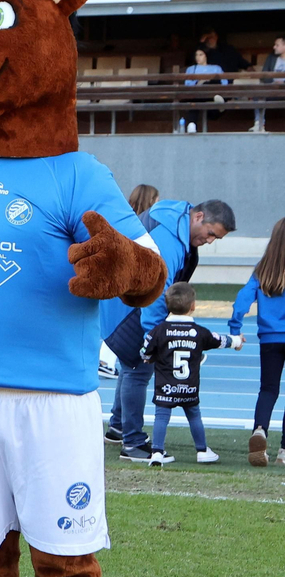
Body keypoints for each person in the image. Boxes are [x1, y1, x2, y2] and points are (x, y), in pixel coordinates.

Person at [104, 198, 235, 461]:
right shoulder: (171, 243)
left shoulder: (173, 216)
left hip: (121, 301)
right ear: (198, 217)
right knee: (138, 370)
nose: (210, 241)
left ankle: (118, 427)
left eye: (216, 239)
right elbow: (155, 292)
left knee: (130, 366)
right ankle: (132, 443)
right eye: (211, 234)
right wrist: (157, 337)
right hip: (130, 308)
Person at [142, 282, 240, 466]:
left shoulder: (159, 331)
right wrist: (235, 341)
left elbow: (145, 352)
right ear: (193, 306)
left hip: (166, 386)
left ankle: (156, 452)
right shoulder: (199, 332)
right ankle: (202, 450)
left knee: (161, 417)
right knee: (194, 416)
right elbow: (219, 340)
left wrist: (150, 357)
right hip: (189, 387)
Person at [231, 217, 285, 466]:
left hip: (270, 339)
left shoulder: (263, 269)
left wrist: (235, 327)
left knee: (268, 389)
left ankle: (260, 430)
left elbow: (242, 299)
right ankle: (284, 451)